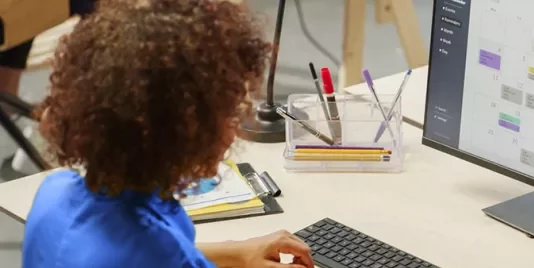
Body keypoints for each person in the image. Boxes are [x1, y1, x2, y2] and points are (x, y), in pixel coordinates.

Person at [21, 0, 314, 267]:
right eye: (229, 112)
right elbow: (156, 255)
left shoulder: (55, 194)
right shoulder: (162, 255)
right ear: (185, 126)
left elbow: (143, 249)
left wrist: (238, 252)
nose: (233, 130)